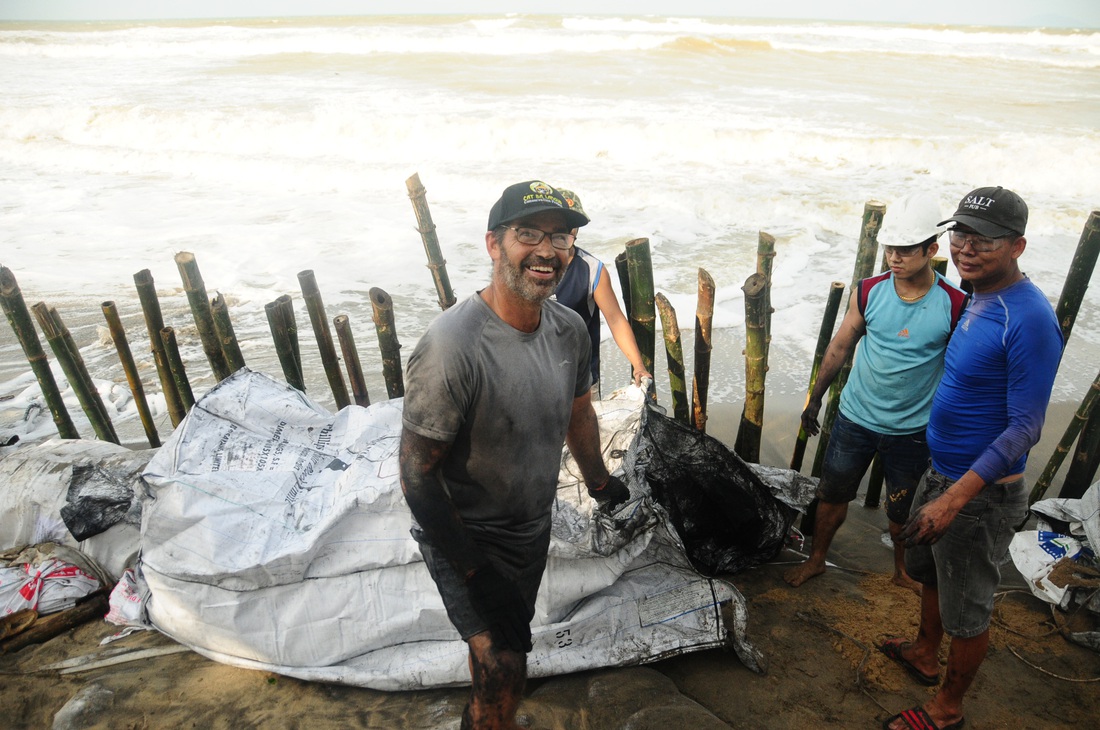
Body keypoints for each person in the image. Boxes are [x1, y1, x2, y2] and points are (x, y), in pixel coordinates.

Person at [398, 180, 631, 730]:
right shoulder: (453, 345)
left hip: (530, 527)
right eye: (529, 234)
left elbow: (578, 414)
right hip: (465, 533)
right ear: (493, 244)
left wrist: (600, 482)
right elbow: (416, 476)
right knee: (504, 662)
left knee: (499, 660)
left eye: (562, 237)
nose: (548, 251)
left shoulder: (569, 330)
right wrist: (476, 572)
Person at [882, 187, 1063, 730]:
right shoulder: (980, 294)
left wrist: (956, 500)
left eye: (983, 239)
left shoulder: (1027, 318)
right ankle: (921, 652)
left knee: (967, 608)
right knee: (931, 572)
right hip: (944, 474)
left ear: (1018, 246)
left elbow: (1025, 427)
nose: (966, 247)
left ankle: (947, 709)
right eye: (960, 233)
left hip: (979, 494)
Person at [784, 192, 968, 592]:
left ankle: (901, 572)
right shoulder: (868, 291)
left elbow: (961, 372)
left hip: (912, 429)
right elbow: (839, 345)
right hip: (855, 419)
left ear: (931, 249)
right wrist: (814, 398)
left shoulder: (955, 304)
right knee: (833, 495)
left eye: (905, 250)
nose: (894, 257)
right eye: (889, 249)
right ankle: (817, 560)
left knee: (902, 508)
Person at [553, 188, 651, 397]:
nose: (567, 230)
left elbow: (615, 320)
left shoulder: (591, 270)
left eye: (572, 224)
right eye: (560, 223)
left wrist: (638, 365)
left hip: (583, 384)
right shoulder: (529, 267)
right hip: (537, 381)